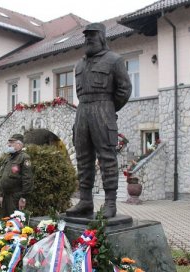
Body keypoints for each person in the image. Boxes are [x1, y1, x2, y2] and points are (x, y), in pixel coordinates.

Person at [66, 22, 132, 219]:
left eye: (93, 36)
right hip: (82, 111)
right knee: (83, 159)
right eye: (86, 36)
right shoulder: (79, 64)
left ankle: (110, 203)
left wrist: (109, 108)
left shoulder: (114, 60)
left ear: (102, 37)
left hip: (103, 110)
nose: (88, 39)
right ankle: (85, 201)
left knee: (107, 158)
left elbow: (124, 89)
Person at [0, 134, 33, 218]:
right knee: (5, 220)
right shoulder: (8, 158)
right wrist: (1, 195)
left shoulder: (24, 158)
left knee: (15, 222)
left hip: (15, 197)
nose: (9, 145)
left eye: (12, 142)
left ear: (19, 144)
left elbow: (27, 179)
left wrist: (23, 198)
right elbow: (2, 177)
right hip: (6, 196)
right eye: (8, 142)